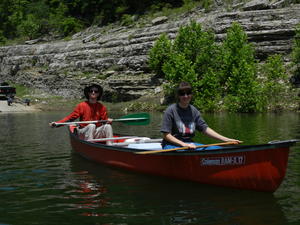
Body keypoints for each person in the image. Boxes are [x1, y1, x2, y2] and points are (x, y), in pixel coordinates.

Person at [161, 81, 241, 150]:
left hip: (190, 144)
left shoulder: (193, 110)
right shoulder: (170, 110)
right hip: (171, 145)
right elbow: (166, 135)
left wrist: (226, 140)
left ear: (191, 94)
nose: (186, 96)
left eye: (188, 93)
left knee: (217, 149)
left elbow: (205, 129)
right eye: (182, 94)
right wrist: (183, 144)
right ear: (178, 95)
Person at [49, 84, 113, 145]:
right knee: (91, 126)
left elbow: (104, 121)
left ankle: (110, 145)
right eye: (91, 91)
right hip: (83, 131)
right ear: (88, 93)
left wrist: (108, 121)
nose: (93, 93)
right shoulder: (82, 105)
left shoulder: (101, 107)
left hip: (95, 132)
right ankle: (90, 145)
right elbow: (70, 118)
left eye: (96, 91)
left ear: (98, 94)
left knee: (108, 126)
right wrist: (57, 124)